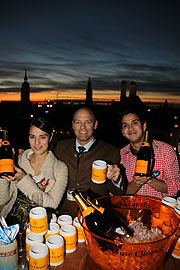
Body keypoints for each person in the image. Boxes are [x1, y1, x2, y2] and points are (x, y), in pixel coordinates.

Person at [54, 107, 127, 214]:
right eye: (78, 122)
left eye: (88, 122)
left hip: (95, 214)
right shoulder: (59, 147)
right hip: (63, 213)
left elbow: (118, 192)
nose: (82, 127)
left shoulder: (110, 151)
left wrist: (116, 179)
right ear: (73, 125)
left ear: (95, 124)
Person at [0, 117, 68, 218]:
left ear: (51, 137)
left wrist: (23, 179)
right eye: (32, 137)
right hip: (12, 224)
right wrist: (3, 174)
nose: (37, 142)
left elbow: (52, 205)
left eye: (42, 137)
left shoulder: (60, 168)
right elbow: (3, 200)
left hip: (40, 225)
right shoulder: (19, 162)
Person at [118, 107, 180, 199]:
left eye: (135, 123)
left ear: (144, 126)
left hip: (158, 210)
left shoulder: (165, 150)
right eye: (125, 125)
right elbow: (121, 194)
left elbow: (175, 188)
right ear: (123, 132)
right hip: (131, 209)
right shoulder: (122, 154)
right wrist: (136, 182)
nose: (130, 128)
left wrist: (149, 179)